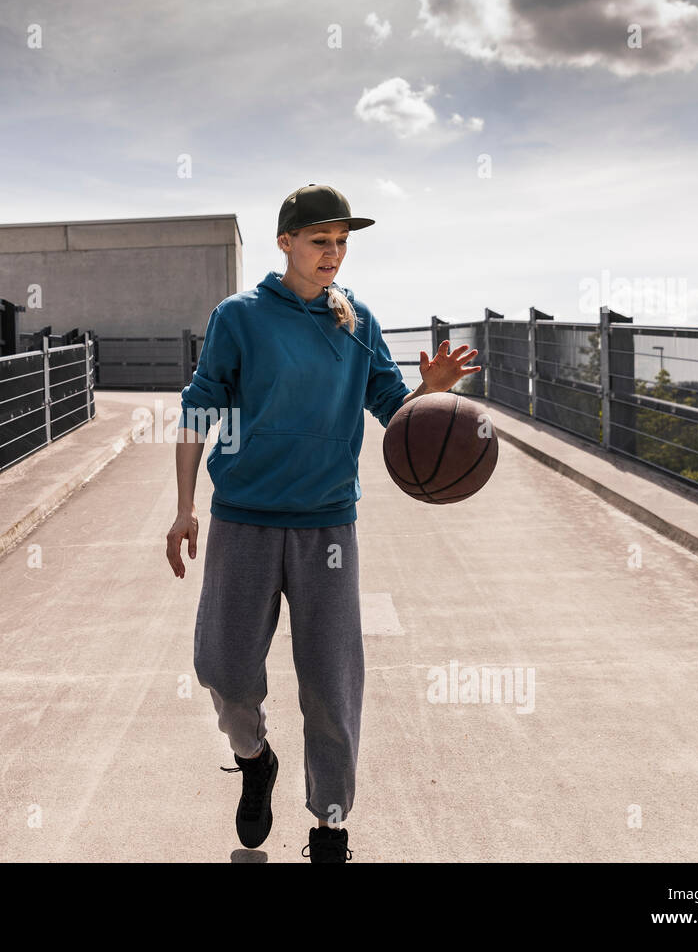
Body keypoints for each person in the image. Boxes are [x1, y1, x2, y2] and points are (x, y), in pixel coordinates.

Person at [165, 183, 480, 862]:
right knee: (222, 666)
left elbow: (393, 409)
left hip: (328, 528)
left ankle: (329, 827)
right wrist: (185, 505)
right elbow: (198, 409)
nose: (333, 253)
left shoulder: (354, 319)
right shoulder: (239, 318)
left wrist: (431, 394)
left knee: (331, 684)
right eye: (320, 241)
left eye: (341, 242)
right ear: (286, 243)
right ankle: (254, 757)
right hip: (243, 520)